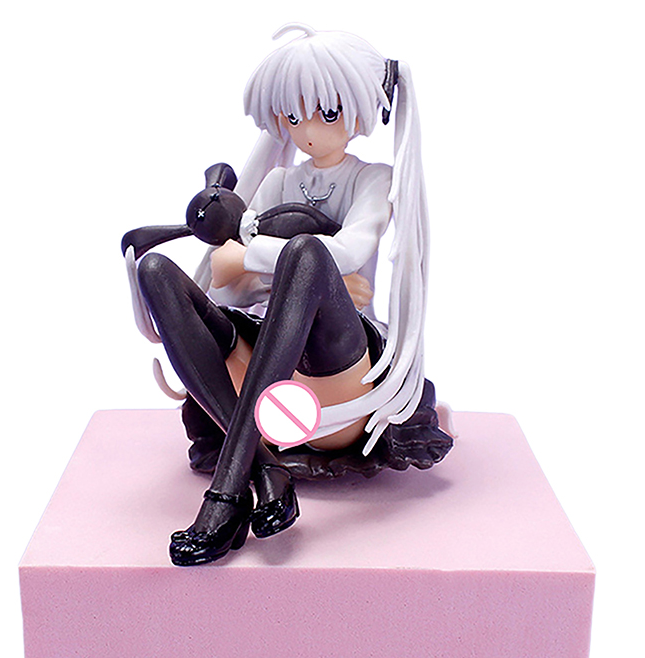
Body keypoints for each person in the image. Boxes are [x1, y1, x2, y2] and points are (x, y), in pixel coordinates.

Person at [123, 24, 452, 566]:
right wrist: (274, 274)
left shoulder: (372, 179)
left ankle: (226, 494)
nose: (307, 132)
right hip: (264, 351)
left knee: (307, 253)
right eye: (293, 118)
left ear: (359, 110)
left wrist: (273, 263)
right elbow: (227, 281)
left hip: (337, 366)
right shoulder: (277, 183)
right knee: (156, 269)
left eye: (326, 113)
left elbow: (345, 250)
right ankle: (264, 470)